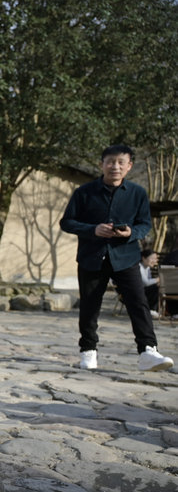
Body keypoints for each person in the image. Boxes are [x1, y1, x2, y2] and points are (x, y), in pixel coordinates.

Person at [60, 144, 173, 372]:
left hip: (126, 257)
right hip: (92, 257)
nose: (115, 166)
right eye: (110, 161)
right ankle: (88, 352)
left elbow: (144, 225)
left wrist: (131, 232)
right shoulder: (84, 192)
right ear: (102, 164)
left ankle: (148, 351)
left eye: (121, 162)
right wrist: (93, 229)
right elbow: (67, 222)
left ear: (129, 166)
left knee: (138, 303)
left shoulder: (138, 193)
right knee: (90, 306)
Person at [139, 248, 160, 316]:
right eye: (152, 258)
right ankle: (151, 309)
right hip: (136, 292)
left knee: (158, 285)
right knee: (156, 286)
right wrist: (158, 279)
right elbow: (146, 283)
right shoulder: (139, 267)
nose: (155, 261)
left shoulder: (147, 268)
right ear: (144, 258)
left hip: (143, 291)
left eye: (156, 259)